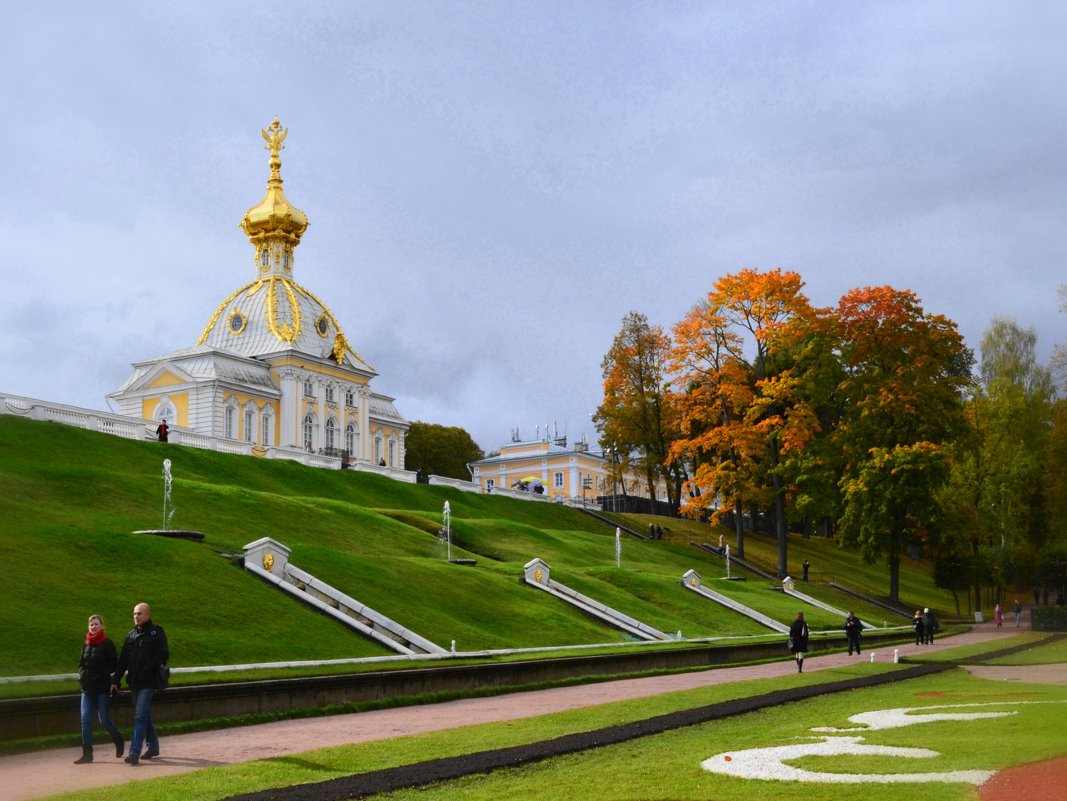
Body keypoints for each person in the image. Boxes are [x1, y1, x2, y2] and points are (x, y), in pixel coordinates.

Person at [111, 603, 168, 765]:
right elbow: (122, 661)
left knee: (140, 715)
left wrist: (148, 667)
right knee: (144, 715)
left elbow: (163, 654)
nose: (136, 616)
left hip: (149, 681)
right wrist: (115, 681)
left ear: (148, 615)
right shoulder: (131, 636)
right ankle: (153, 746)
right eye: (135, 614)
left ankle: (134, 752)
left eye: (140, 613)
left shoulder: (156, 632)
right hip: (135, 681)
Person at [74, 615, 125, 764]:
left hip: (101, 688)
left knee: (104, 721)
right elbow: (81, 663)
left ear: (102, 626)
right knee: (85, 720)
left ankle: (118, 740)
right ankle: (87, 754)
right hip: (87, 688)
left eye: (96, 624)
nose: (93, 626)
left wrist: (98, 676)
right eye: (91, 624)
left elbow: (112, 665)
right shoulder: (86, 644)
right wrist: (82, 675)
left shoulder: (107, 644)